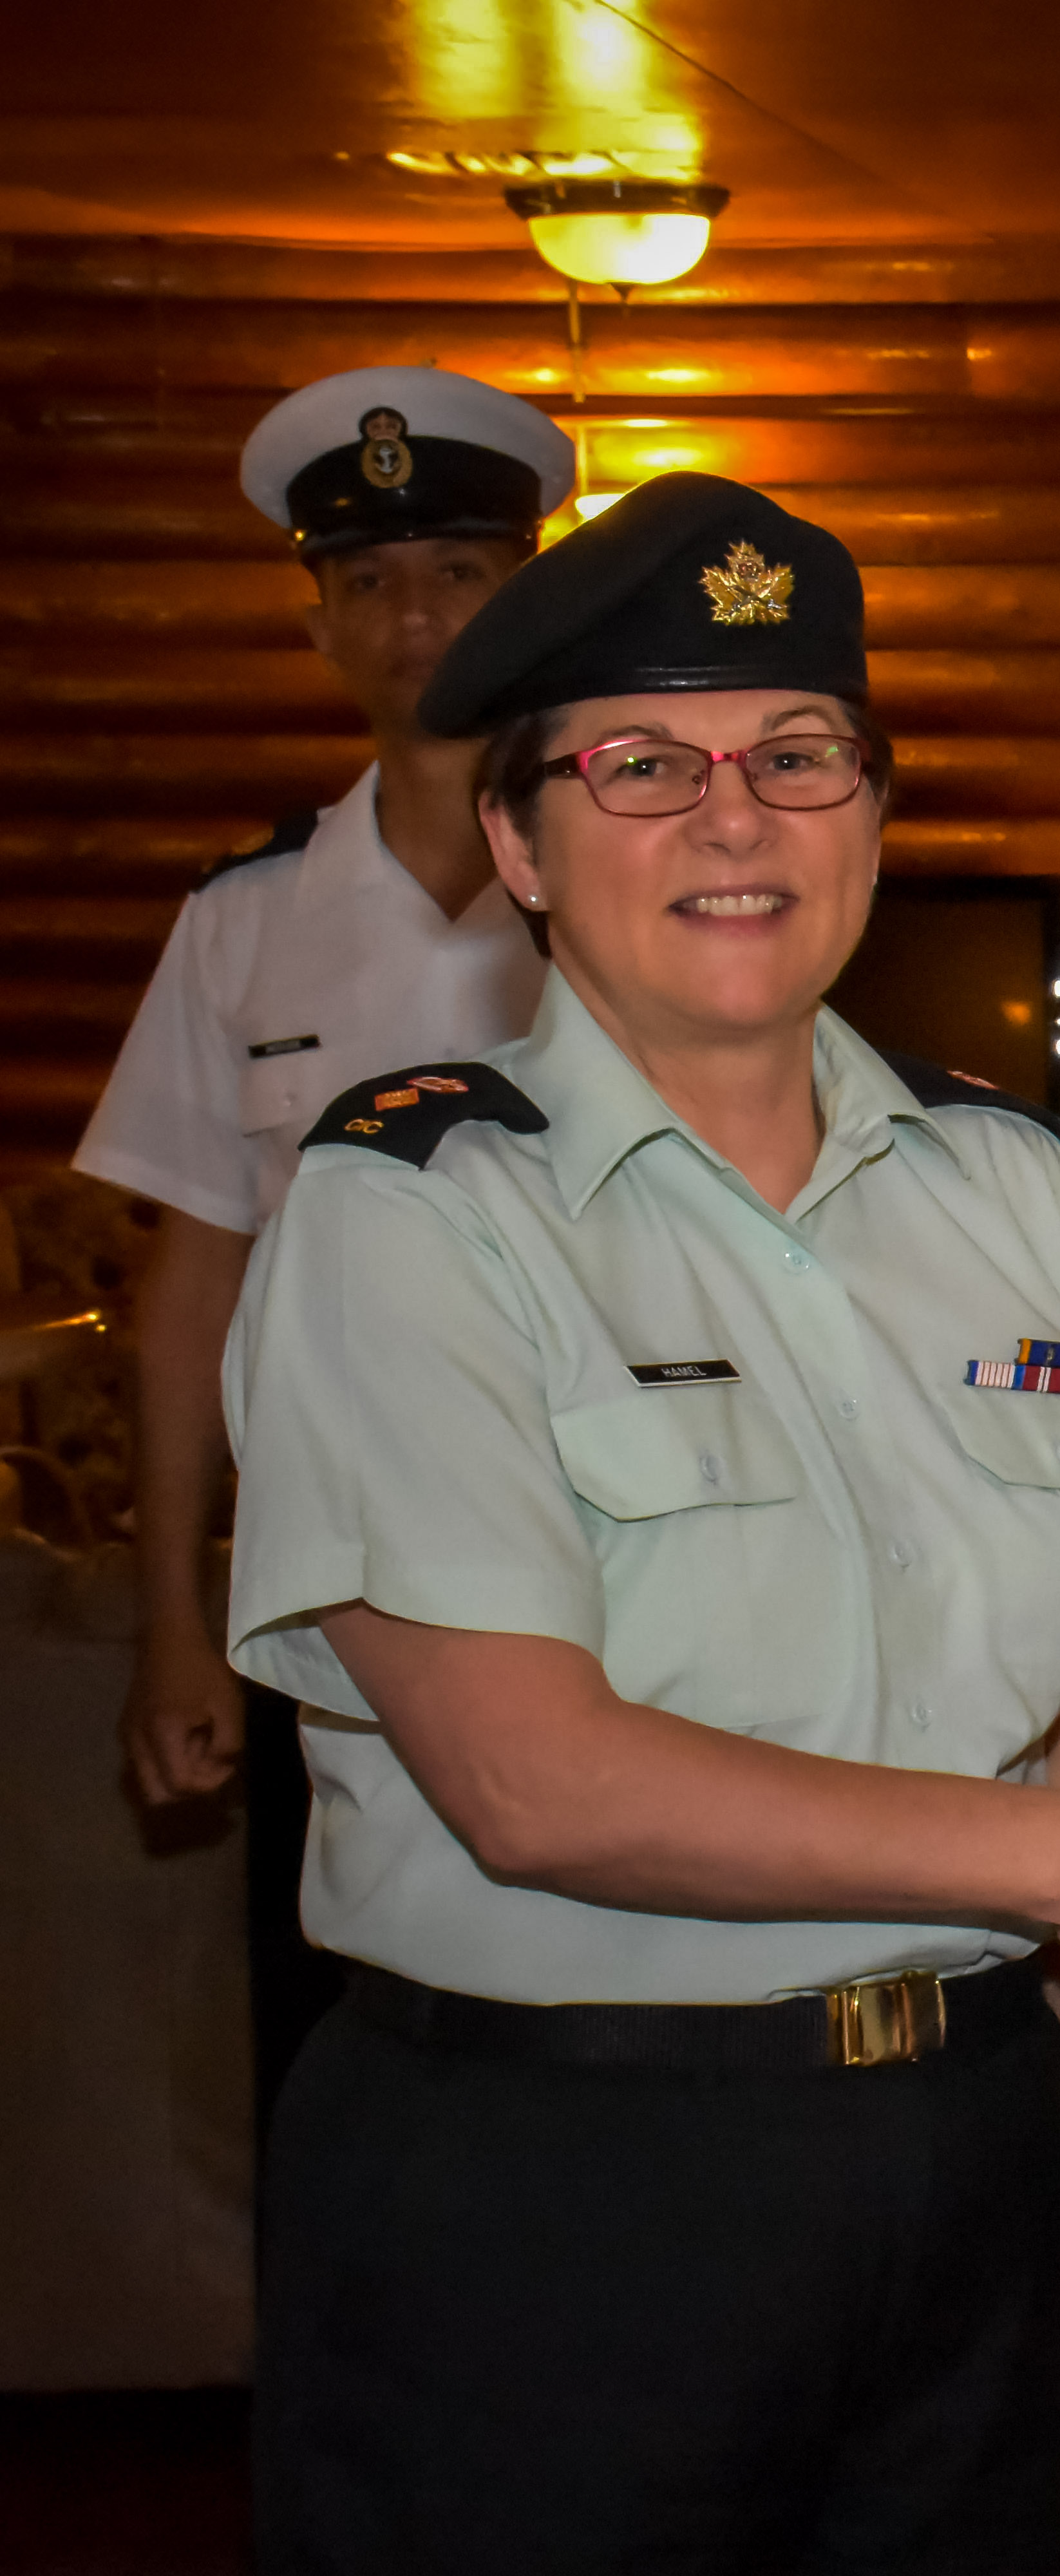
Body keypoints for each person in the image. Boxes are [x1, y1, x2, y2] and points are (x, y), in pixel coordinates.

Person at [221, 471, 1060, 2575]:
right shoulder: (409, 1215)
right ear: (516, 843)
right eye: (642, 766)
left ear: (871, 813)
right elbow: (535, 1782)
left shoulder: (1012, 1194)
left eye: (799, 756)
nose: (737, 820)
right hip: (560, 2183)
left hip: (969, 2167)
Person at [83, 366, 570, 2121]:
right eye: (370, 580)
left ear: (539, 589)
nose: (414, 613)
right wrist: (171, 1623)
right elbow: (186, 1288)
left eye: (457, 568)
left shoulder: (642, 879)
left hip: (619, 1565)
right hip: (332, 1591)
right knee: (344, 2061)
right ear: (319, 627)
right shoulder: (245, 923)